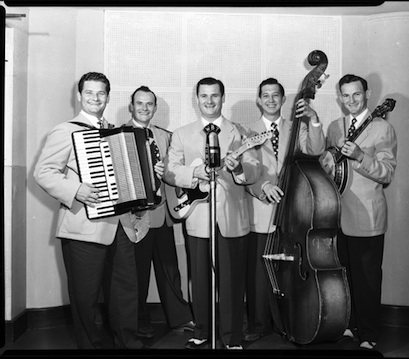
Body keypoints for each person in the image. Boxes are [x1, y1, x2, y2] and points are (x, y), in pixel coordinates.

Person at [34, 72, 149, 350]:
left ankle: (127, 341)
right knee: (85, 296)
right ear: (79, 96)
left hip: (120, 224)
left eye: (100, 94)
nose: (95, 98)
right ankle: (88, 346)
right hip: (83, 226)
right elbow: (43, 172)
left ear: (107, 97)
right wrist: (75, 191)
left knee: (124, 289)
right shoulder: (66, 130)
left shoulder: (117, 131)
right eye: (89, 93)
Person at [163, 77, 261, 350]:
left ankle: (231, 337)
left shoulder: (240, 132)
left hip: (232, 218)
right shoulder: (182, 134)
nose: (209, 101)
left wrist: (239, 168)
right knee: (200, 278)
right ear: (197, 99)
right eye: (204, 96)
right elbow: (171, 171)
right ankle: (203, 331)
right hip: (197, 217)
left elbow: (255, 170)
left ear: (223, 97)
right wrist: (195, 172)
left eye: (214, 96)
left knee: (231, 281)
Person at [242, 78, 326, 342]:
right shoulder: (247, 131)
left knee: (290, 271)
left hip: (294, 211)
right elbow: (247, 166)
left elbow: (315, 149)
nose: (270, 100)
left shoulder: (296, 127)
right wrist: (263, 185)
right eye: (265, 95)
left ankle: (291, 322)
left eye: (275, 95)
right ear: (258, 100)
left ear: (283, 99)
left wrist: (313, 120)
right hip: (261, 210)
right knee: (258, 274)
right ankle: (258, 324)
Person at [325, 74, 397, 350]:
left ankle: (369, 334)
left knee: (367, 279)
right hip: (336, 215)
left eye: (356, 94)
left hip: (367, 216)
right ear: (340, 98)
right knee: (343, 275)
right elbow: (328, 164)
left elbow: (387, 173)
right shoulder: (335, 127)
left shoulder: (382, 129)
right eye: (345, 95)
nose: (351, 100)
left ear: (367, 94)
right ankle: (349, 325)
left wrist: (359, 156)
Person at [125, 86, 195, 338]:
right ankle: (138, 321)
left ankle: (180, 319)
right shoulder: (118, 135)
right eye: (139, 104)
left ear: (155, 108)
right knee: (138, 273)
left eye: (149, 104)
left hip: (164, 212)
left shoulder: (166, 136)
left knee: (170, 270)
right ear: (131, 106)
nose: (144, 108)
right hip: (136, 217)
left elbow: (176, 170)